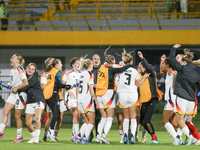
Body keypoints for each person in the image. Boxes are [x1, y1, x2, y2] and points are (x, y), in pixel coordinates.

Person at [95, 47, 134, 144]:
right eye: (114, 61)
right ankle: (104, 136)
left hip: (99, 94)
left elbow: (106, 64)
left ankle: (98, 137)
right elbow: (122, 68)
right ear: (112, 61)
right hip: (107, 93)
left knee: (103, 117)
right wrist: (127, 65)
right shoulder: (111, 69)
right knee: (110, 117)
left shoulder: (101, 67)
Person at [169, 44, 200, 145]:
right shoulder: (196, 73)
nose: (180, 63)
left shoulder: (182, 69)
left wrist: (173, 49)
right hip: (191, 100)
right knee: (184, 120)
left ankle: (191, 138)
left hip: (182, 98)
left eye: (181, 61)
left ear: (185, 62)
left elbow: (172, 60)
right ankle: (178, 139)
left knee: (180, 120)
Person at [117, 49, 150, 144]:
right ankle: (132, 136)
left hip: (122, 95)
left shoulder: (120, 70)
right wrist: (144, 77)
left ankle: (125, 136)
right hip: (132, 94)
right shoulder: (135, 71)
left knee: (126, 118)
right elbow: (138, 84)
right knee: (133, 117)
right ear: (131, 61)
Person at [0, 54, 28, 142]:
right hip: (13, 94)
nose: (10, 59)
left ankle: (19, 136)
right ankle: (1, 132)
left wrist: (16, 88)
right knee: (5, 111)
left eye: (13, 58)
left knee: (17, 116)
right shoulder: (12, 70)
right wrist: (7, 84)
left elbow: (25, 83)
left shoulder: (20, 70)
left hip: (20, 95)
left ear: (18, 61)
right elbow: (13, 83)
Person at [43, 59, 71, 142]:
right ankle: (51, 133)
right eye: (61, 63)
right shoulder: (57, 71)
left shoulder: (51, 71)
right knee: (56, 114)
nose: (62, 64)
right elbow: (60, 84)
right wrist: (68, 86)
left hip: (47, 94)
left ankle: (50, 133)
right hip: (53, 94)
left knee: (56, 115)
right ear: (57, 65)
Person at [17, 63, 46, 144]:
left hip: (39, 100)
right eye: (29, 68)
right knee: (27, 123)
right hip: (30, 101)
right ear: (26, 69)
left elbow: (26, 86)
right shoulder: (24, 77)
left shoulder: (34, 77)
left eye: (33, 69)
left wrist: (16, 89)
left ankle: (36, 138)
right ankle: (33, 137)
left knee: (37, 117)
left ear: (35, 71)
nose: (31, 70)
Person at [75, 57, 99, 144]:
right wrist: (95, 99)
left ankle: (78, 136)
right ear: (89, 65)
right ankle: (85, 138)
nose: (92, 66)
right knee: (91, 121)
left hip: (80, 99)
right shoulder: (90, 74)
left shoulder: (80, 74)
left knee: (87, 121)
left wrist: (77, 100)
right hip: (87, 99)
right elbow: (91, 88)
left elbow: (77, 88)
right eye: (92, 64)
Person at [137, 51, 159, 144]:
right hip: (143, 101)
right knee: (142, 121)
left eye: (141, 67)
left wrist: (142, 58)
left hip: (151, 99)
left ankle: (154, 139)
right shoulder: (140, 76)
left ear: (145, 67)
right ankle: (154, 137)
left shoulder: (151, 73)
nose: (139, 69)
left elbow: (149, 68)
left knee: (146, 121)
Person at [160, 55, 180, 144]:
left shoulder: (173, 74)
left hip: (171, 100)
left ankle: (177, 139)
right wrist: (162, 60)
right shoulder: (168, 74)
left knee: (164, 121)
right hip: (173, 100)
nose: (161, 65)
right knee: (175, 124)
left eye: (163, 64)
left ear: (168, 65)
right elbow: (162, 70)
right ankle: (179, 138)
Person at [63, 57, 80, 142]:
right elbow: (62, 84)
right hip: (70, 97)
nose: (79, 64)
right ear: (72, 64)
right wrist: (69, 91)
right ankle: (76, 135)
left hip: (79, 98)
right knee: (76, 114)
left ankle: (74, 135)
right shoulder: (68, 73)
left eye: (79, 63)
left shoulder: (81, 74)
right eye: (77, 63)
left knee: (78, 116)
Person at [88, 54, 101, 142]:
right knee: (89, 117)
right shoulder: (89, 71)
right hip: (89, 96)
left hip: (99, 96)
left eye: (98, 59)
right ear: (92, 61)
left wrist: (98, 85)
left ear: (100, 61)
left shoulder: (102, 70)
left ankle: (98, 135)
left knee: (99, 117)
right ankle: (90, 134)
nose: (96, 60)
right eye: (94, 58)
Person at [41, 57, 54, 142]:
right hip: (49, 97)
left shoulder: (56, 73)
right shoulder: (44, 74)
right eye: (51, 63)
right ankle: (45, 134)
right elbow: (43, 86)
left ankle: (53, 135)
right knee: (50, 117)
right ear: (48, 64)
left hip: (57, 97)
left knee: (58, 117)